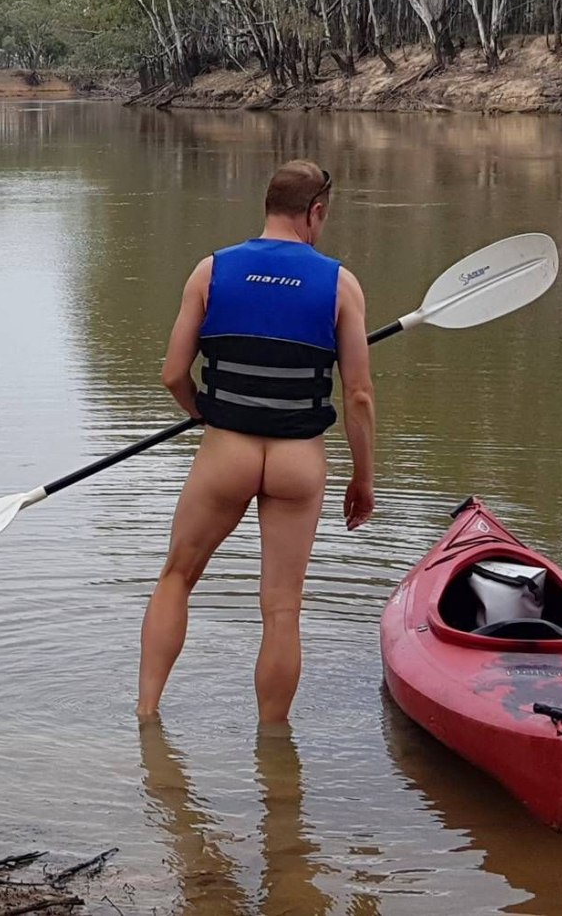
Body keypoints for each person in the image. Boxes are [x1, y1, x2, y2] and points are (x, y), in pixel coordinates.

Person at [136, 160, 375, 724]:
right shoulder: (340, 283)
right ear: (315, 212)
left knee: (177, 577)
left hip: (227, 453)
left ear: (267, 205)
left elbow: (173, 373)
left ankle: (147, 715)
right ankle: (273, 745)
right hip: (298, 461)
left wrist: (207, 415)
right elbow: (359, 395)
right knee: (282, 610)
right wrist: (362, 478)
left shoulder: (211, 271)